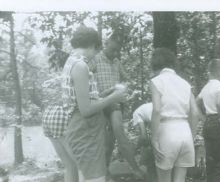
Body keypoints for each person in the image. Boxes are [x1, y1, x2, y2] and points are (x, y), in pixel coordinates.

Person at [61, 26, 127, 182]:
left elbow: (83, 99)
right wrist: (114, 97)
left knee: (89, 177)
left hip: (84, 129)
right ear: (92, 45)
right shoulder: (80, 66)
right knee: (96, 178)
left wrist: (110, 92)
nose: (96, 55)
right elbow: (85, 109)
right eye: (96, 50)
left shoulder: (72, 62)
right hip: (85, 130)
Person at [91, 33, 144, 179]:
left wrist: (123, 86)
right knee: (107, 141)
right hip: (100, 103)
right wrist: (108, 91)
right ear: (106, 43)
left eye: (117, 51)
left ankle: (135, 168)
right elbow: (88, 86)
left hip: (115, 104)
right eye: (112, 49)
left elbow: (127, 79)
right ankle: (105, 172)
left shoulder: (116, 62)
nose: (115, 53)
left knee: (119, 132)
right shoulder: (95, 60)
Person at [150, 48, 199, 182]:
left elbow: (157, 110)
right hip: (185, 131)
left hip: (167, 130)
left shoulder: (157, 81)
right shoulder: (185, 83)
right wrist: (192, 136)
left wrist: (153, 139)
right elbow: (195, 112)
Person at [197, 59, 220, 182]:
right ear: (219, 71)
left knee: (210, 161)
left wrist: (203, 118)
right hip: (218, 123)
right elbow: (219, 102)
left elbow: (196, 102)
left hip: (208, 123)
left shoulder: (206, 86)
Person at [131, 103, 156, 182]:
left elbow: (144, 136)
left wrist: (136, 148)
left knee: (146, 151)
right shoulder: (146, 109)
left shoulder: (136, 114)